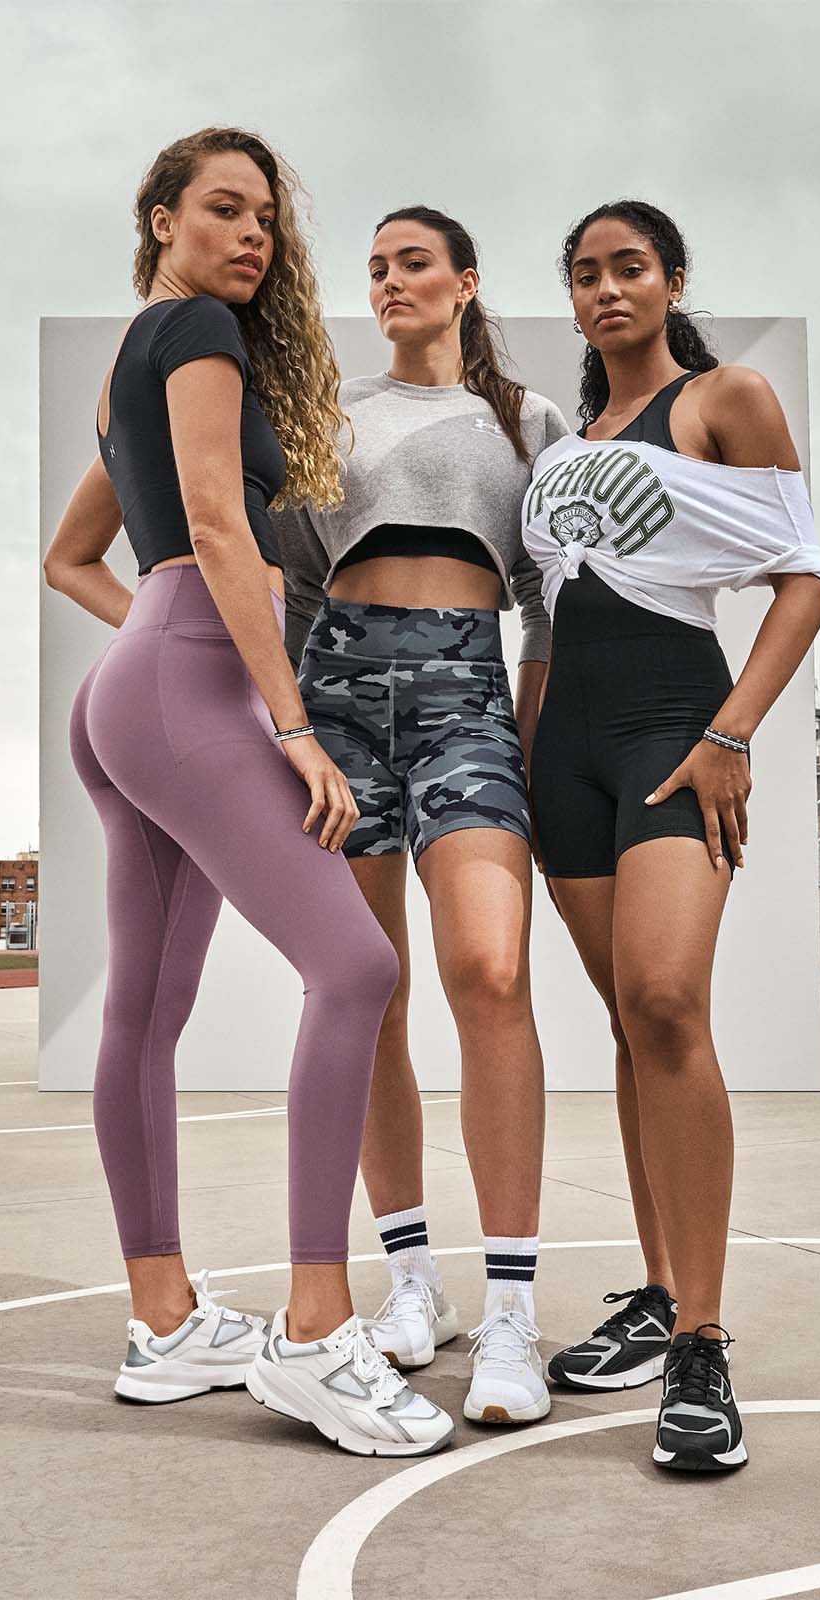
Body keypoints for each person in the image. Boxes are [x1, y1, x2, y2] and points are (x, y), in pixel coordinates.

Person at [43, 127, 451, 1458]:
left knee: (147, 1016)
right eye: (223, 209)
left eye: (265, 217)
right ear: (160, 217)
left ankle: (165, 1326)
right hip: (193, 683)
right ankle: (317, 1333)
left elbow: (74, 557)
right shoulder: (201, 338)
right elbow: (218, 529)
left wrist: (150, 651)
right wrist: (287, 721)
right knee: (356, 969)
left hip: (138, 686)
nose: (252, 235)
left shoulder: (131, 360)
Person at [523, 199, 820, 1473]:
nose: (606, 291)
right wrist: (524, 753)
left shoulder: (723, 399)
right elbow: (542, 619)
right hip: (562, 753)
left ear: (671, 280)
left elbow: (803, 578)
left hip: (669, 728)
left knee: (665, 1005)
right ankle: (654, 1293)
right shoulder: (553, 443)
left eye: (629, 269)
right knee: (623, 1025)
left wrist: (732, 733)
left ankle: (699, 1340)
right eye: (587, 275)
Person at [271, 206, 570, 1426]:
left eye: (413, 263)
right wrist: (292, 734)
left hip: (468, 696)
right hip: (337, 694)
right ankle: (412, 1285)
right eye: (377, 267)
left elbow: (549, 604)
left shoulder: (531, 421)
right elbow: (290, 582)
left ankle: (511, 1314)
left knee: (491, 971)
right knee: (367, 988)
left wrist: (532, 750)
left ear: (465, 283)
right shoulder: (329, 416)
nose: (390, 281)